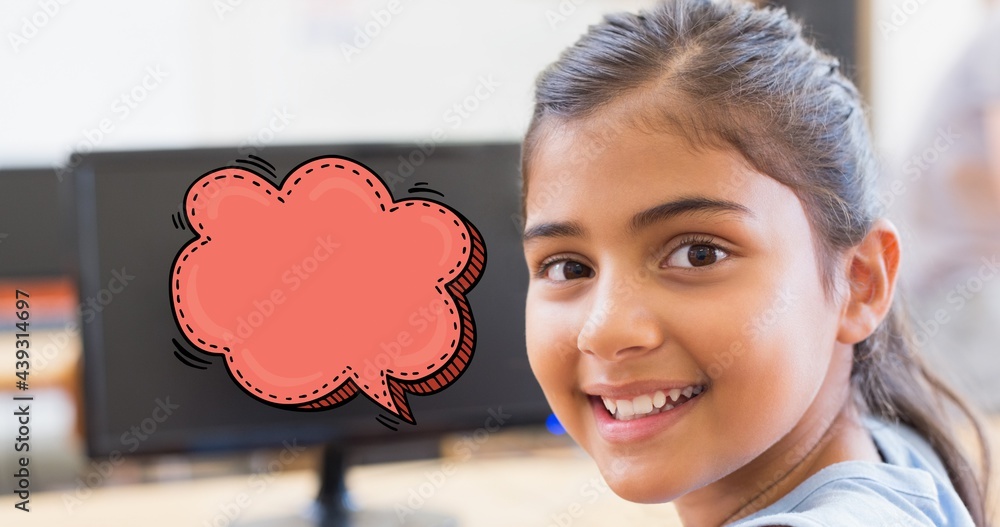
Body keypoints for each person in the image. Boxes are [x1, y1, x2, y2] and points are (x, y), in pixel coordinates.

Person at [518, 1, 991, 525]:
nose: (603, 330)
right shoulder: (890, 452)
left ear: (860, 282)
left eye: (698, 255)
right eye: (568, 267)